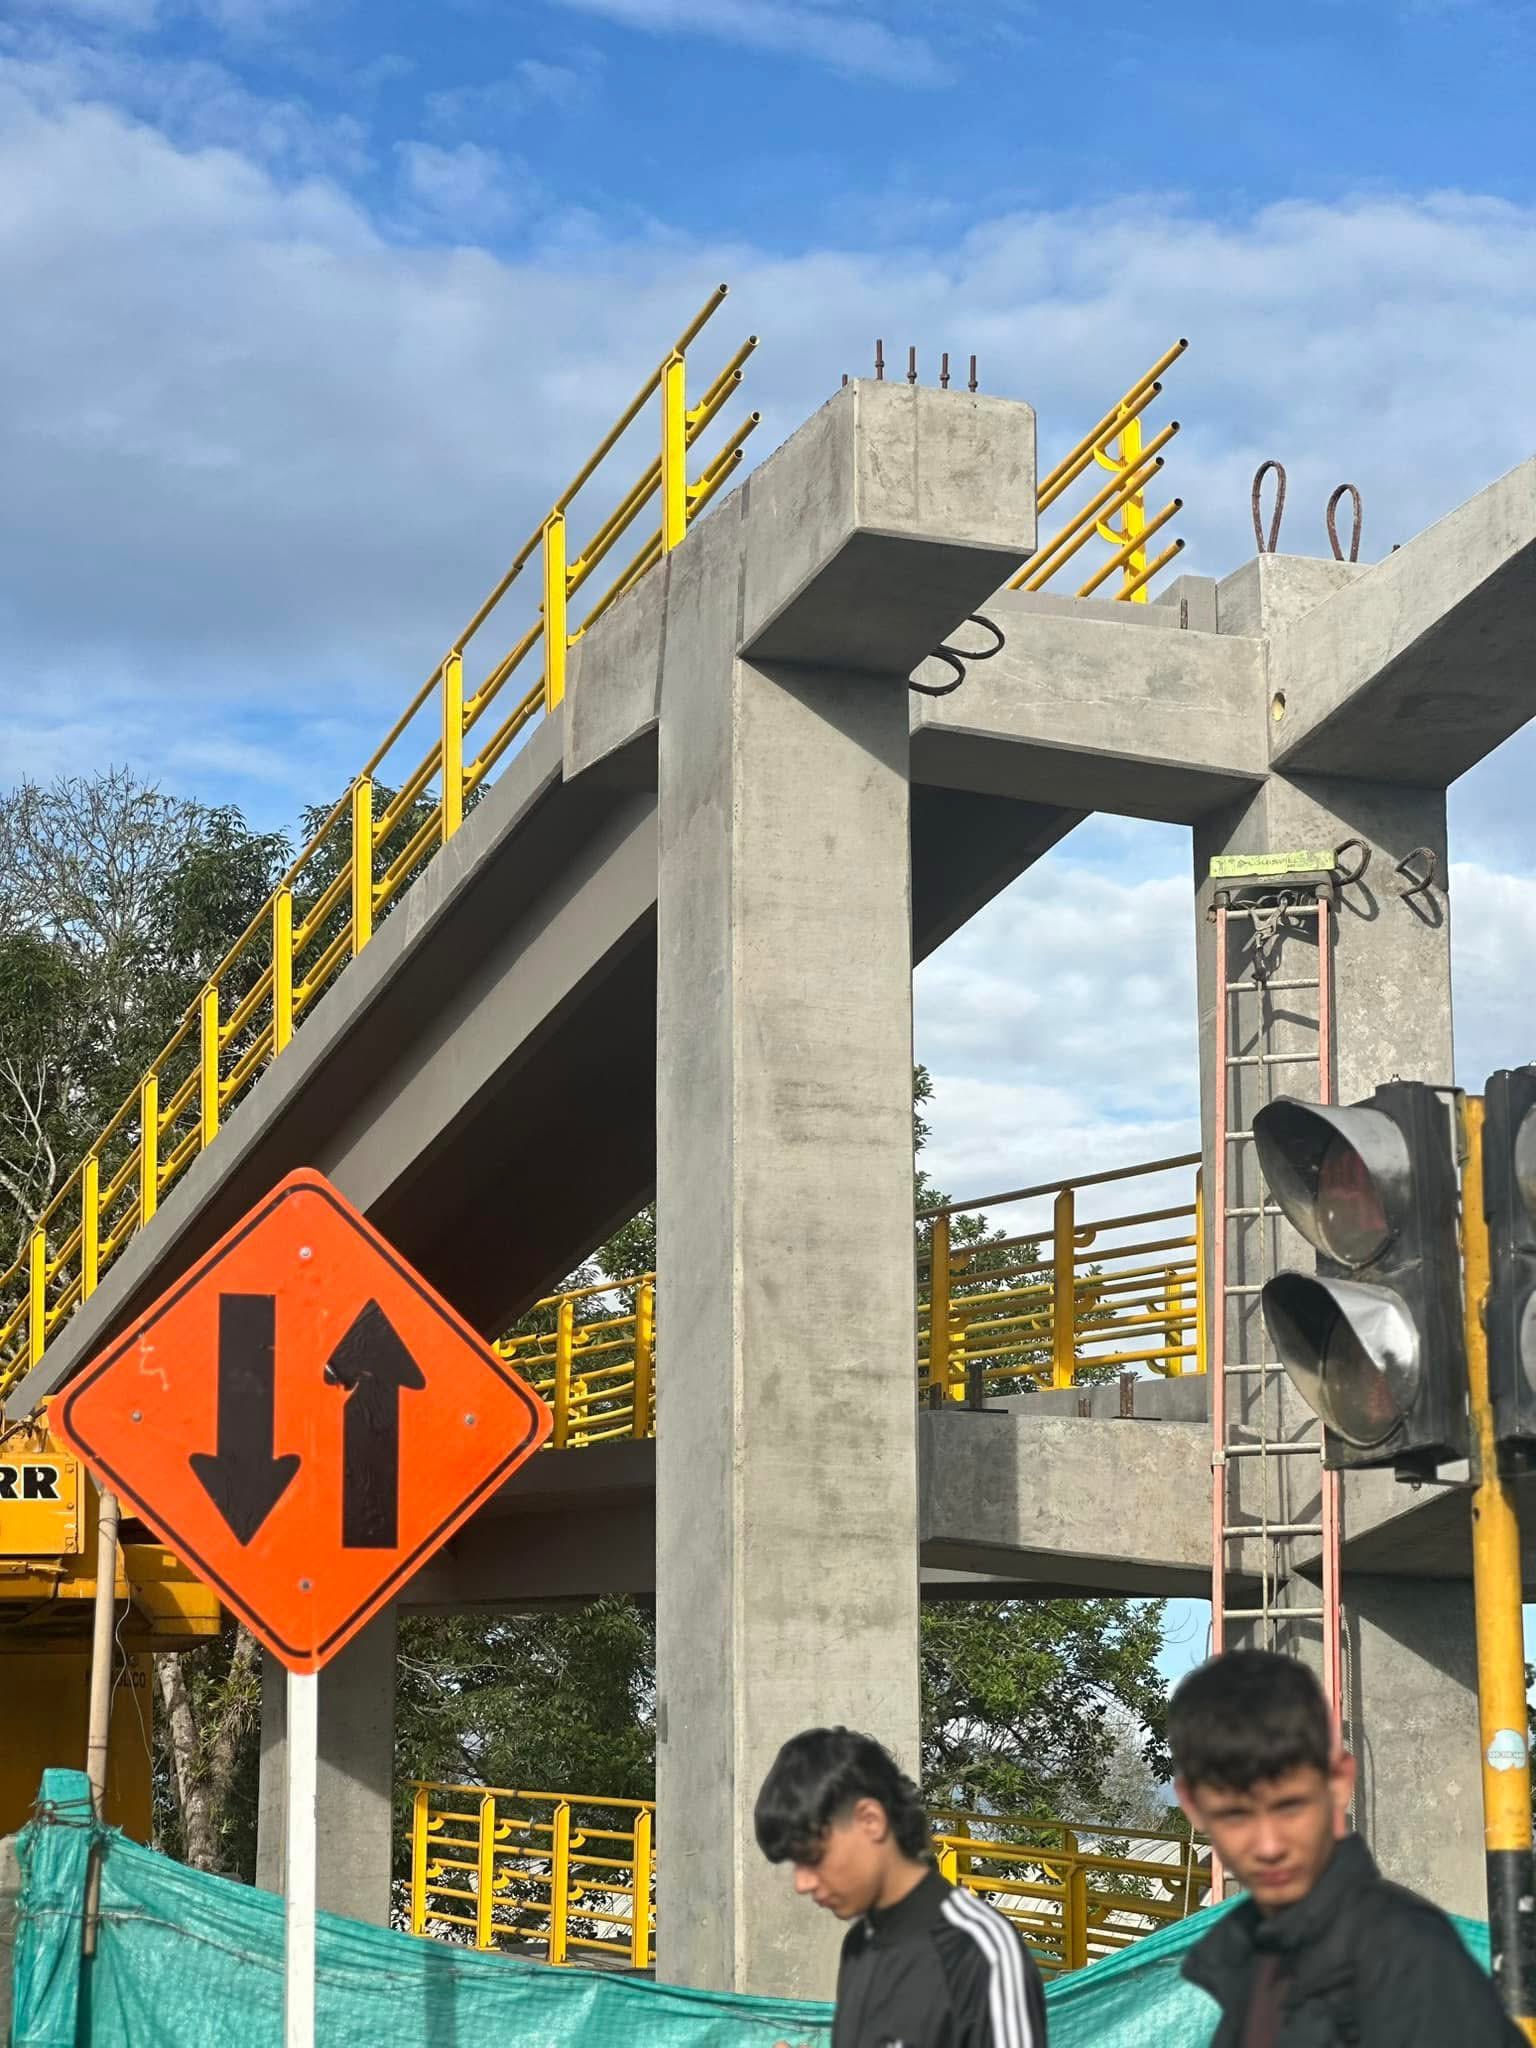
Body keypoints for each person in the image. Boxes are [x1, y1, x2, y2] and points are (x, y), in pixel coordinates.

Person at [1172, 1648, 1523, 2045]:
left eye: (1290, 1807)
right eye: (1235, 1815)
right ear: (1192, 1805)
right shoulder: (1255, 1953)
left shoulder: (1406, 1956)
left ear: (1340, 1781)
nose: (1268, 1846)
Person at [754, 1725, 1047, 2047]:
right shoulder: (859, 1945)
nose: (802, 1883)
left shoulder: (977, 1949)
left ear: (870, 1821)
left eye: (812, 1856)